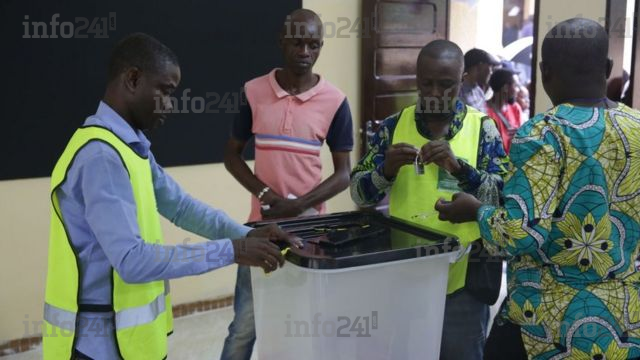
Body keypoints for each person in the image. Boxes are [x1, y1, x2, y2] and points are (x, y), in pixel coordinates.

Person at [42, 33, 302, 360]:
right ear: (133, 79)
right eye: (165, 91)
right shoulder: (102, 157)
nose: (170, 104)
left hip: (130, 343)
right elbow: (132, 261)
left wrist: (248, 234)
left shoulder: (128, 148)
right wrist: (233, 250)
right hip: (98, 349)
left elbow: (180, 207)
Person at [435, 18, 640, 359]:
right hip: (623, 322)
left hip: (548, 325)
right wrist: (469, 175)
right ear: (606, 68)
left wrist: (476, 212)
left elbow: (521, 232)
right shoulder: (635, 127)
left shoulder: (542, 133)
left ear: (543, 72)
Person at [350, 39, 509, 360]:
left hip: (464, 278)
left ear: (462, 80)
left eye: (447, 85)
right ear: (417, 80)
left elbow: (505, 197)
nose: (436, 94)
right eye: (427, 84)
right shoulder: (393, 127)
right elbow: (358, 192)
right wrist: (386, 170)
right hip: (406, 276)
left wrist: (461, 170)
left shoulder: (484, 129)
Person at [221, 9, 353, 360]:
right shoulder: (253, 91)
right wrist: (265, 194)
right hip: (259, 230)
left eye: (313, 44)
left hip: (310, 233)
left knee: (304, 323)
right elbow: (231, 156)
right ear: (282, 42)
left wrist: (297, 205)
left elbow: (344, 174)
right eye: (298, 42)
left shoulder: (336, 102)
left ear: (321, 46)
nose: (305, 51)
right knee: (244, 326)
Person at [486, 69, 523, 153]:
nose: (517, 90)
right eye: (515, 85)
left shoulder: (516, 109)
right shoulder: (485, 111)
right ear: (505, 88)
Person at [459, 48, 501, 113]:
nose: (491, 72)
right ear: (480, 66)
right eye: (490, 67)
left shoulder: (479, 92)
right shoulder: (457, 92)